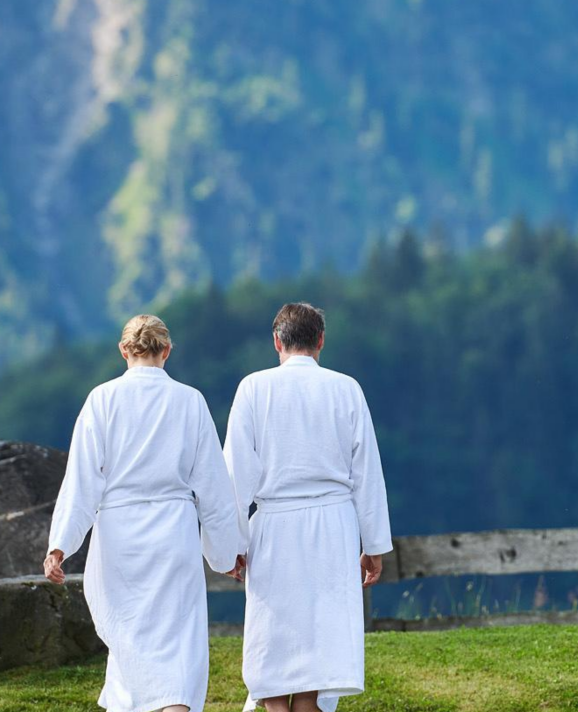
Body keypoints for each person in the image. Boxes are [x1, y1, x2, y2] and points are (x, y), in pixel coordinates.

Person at [44, 314, 249, 712]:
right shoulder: (190, 401)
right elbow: (213, 485)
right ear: (167, 351)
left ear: (124, 350)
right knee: (177, 641)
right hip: (174, 534)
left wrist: (60, 547)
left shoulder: (101, 400)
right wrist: (227, 553)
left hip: (119, 538)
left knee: (128, 642)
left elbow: (81, 482)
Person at [226, 302, 392, 712]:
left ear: (277, 341)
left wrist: (229, 542)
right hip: (332, 527)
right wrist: (374, 545)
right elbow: (367, 472)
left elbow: (234, 475)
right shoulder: (346, 388)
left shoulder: (254, 387)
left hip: (275, 526)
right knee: (316, 651)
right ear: (320, 340)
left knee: (273, 641)